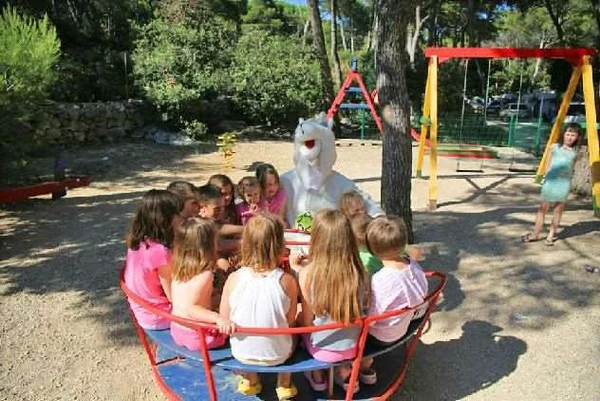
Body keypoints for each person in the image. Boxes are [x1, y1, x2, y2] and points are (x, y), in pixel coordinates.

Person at [220, 214, 299, 400]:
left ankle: (251, 380)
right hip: (278, 355)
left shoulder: (233, 278)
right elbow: (290, 319)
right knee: (296, 334)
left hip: (241, 353)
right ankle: (284, 383)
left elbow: (224, 316)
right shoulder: (286, 281)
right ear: (280, 245)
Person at [295, 209, 370, 393]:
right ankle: (344, 372)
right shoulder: (361, 271)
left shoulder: (307, 274)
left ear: (316, 239)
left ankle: (317, 375)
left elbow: (307, 322)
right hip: (355, 346)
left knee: (298, 316)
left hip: (322, 350)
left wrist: (296, 268)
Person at [362, 215, 428, 377]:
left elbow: (371, 319)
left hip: (382, 336)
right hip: (408, 325)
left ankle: (363, 364)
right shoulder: (414, 266)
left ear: (372, 250)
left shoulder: (381, 280)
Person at [170, 218, 236, 350]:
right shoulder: (205, 275)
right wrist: (218, 318)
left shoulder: (178, 267)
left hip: (177, 329)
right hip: (199, 336)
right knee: (235, 318)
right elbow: (191, 309)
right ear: (208, 246)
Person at [123, 189, 183, 330]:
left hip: (142, 309)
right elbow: (173, 296)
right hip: (159, 317)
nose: (181, 218)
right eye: (177, 214)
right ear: (165, 219)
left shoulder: (139, 241)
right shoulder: (160, 252)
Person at [522, 123, 582, 246]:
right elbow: (548, 165)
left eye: (573, 135)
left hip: (564, 183)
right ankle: (535, 234)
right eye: (568, 134)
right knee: (542, 209)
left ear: (577, 137)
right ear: (563, 134)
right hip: (550, 181)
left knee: (558, 210)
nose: (570, 137)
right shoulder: (554, 147)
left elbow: (572, 168)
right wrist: (546, 179)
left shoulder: (577, 153)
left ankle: (550, 236)